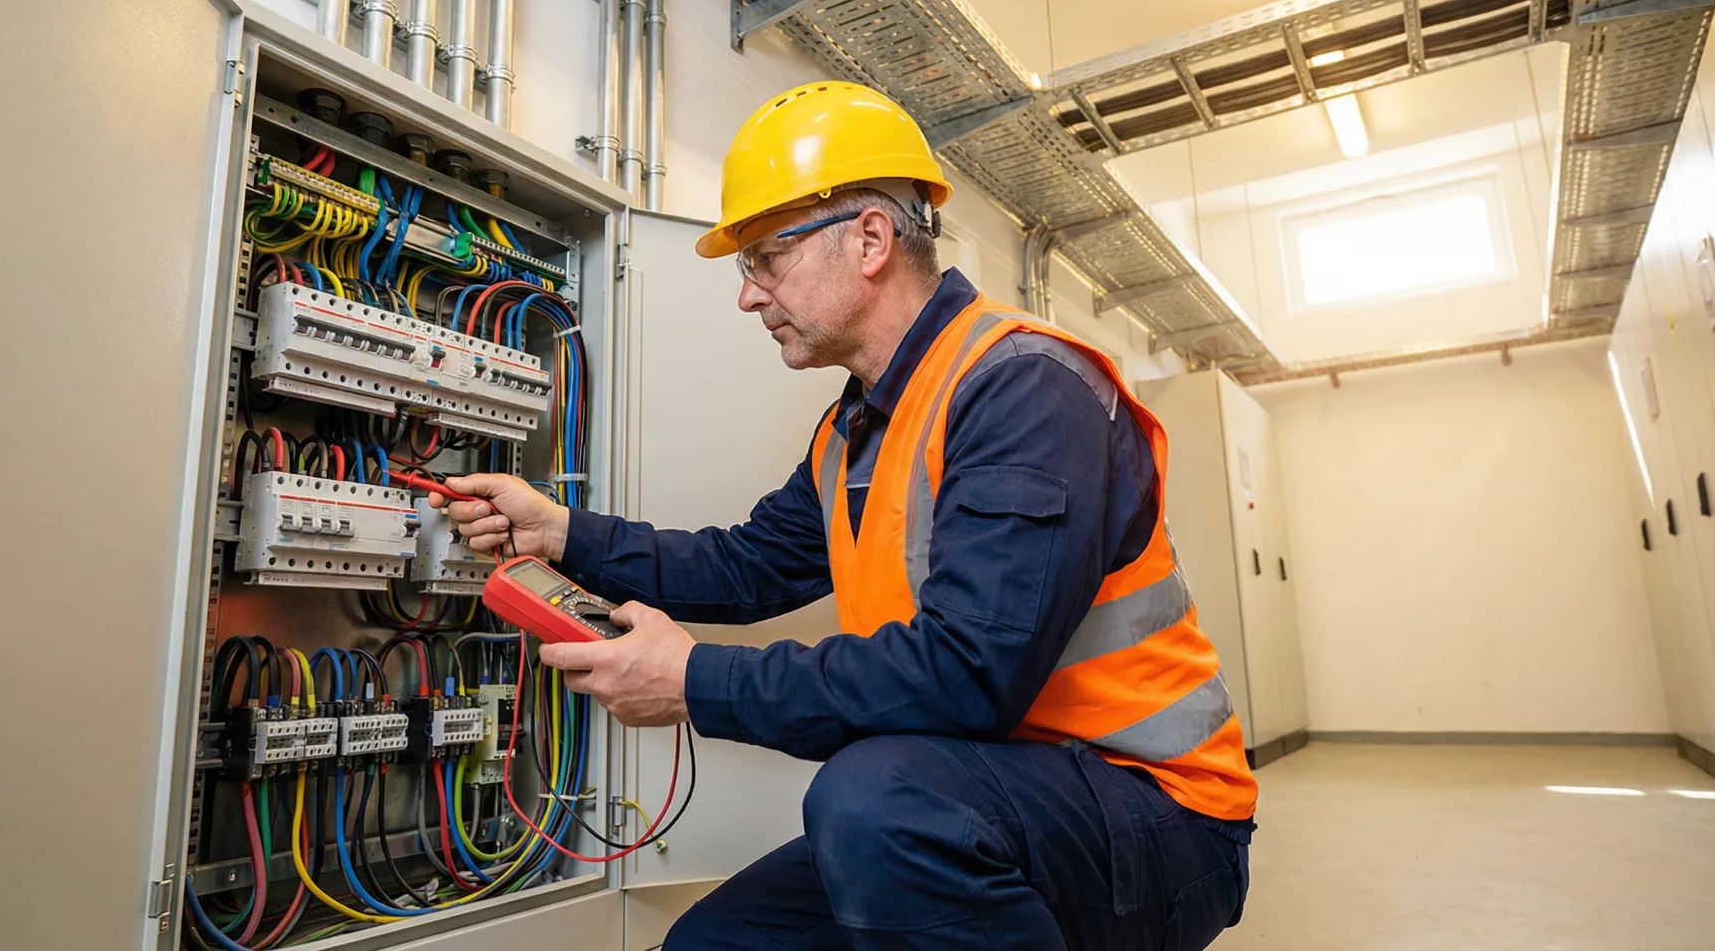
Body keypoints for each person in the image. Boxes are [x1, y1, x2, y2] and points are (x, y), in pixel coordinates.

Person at [432, 81, 1257, 950]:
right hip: (994, 793)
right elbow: (747, 566)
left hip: (1156, 814)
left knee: (874, 797)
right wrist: (561, 534)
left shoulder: (1025, 387)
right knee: (715, 943)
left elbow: (969, 673)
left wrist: (694, 682)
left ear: (868, 238)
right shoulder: (855, 427)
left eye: (763, 259)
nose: (748, 295)